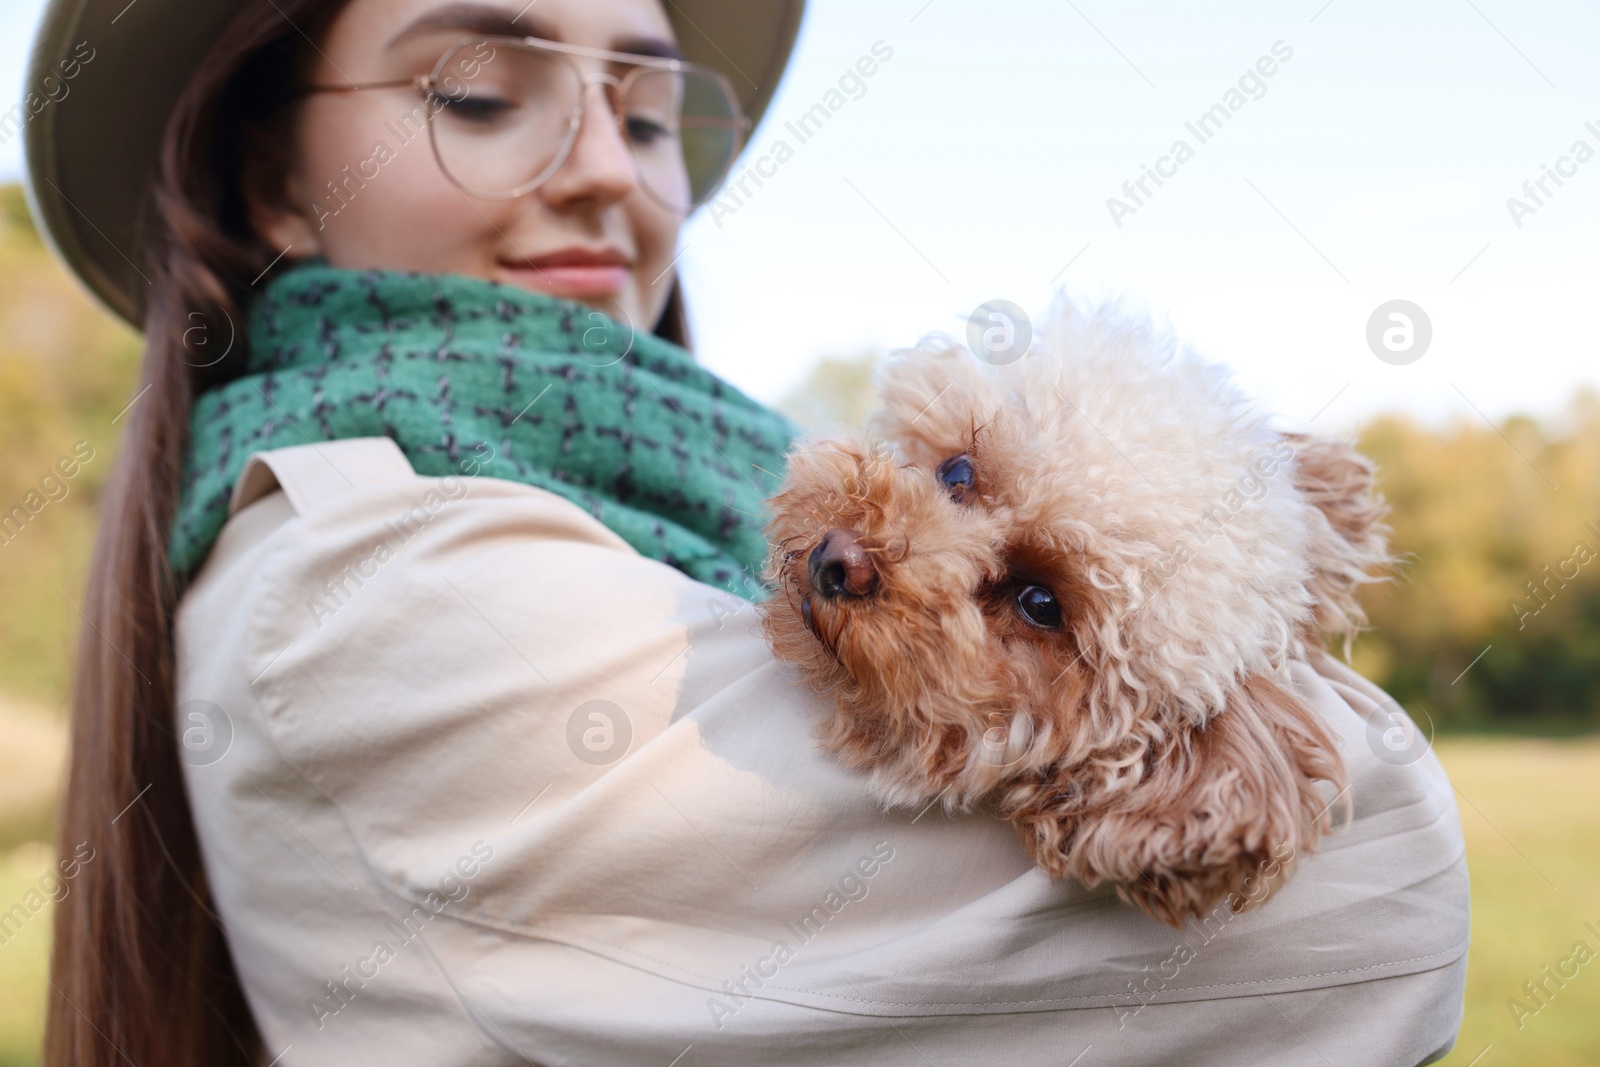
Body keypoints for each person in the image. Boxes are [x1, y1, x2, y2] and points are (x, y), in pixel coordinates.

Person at [23, 1, 1470, 1065]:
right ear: (275, 177)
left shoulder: (640, 523)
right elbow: (1369, 892)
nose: (612, 171)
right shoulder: (358, 585)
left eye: (648, 114)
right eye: (477, 94)